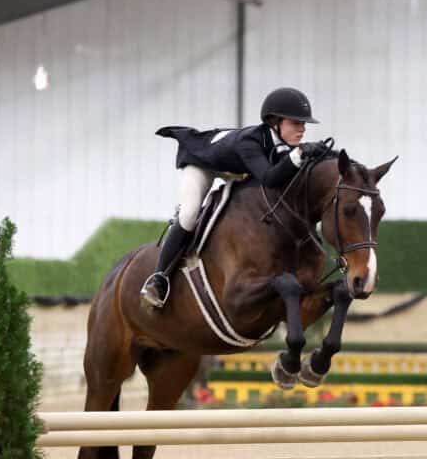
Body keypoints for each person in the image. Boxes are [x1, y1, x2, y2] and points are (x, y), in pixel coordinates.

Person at [141, 87, 329, 308]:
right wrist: (299, 154)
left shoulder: (280, 143)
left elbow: (285, 174)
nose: (302, 129)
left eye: (304, 124)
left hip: (236, 168)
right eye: (296, 123)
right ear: (275, 122)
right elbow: (269, 178)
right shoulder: (249, 143)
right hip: (203, 163)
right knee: (190, 213)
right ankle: (159, 278)